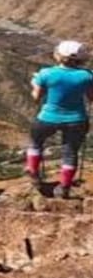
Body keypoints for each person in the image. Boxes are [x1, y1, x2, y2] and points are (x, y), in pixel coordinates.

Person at [26, 40, 93, 198]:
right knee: (70, 153)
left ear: (58, 56)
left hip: (48, 118)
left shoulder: (46, 73)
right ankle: (64, 187)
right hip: (76, 120)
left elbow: (36, 97)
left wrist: (35, 83)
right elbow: (91, 98)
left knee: (36, 143)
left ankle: (33, 171)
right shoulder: (87, 76)